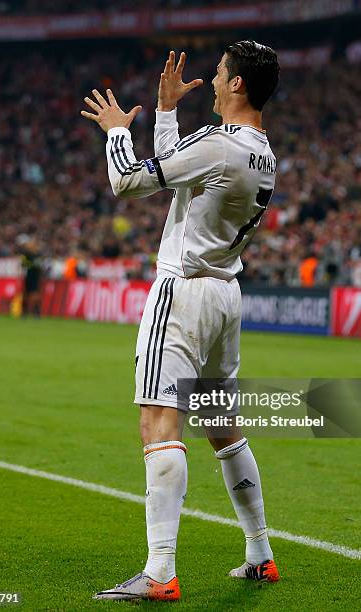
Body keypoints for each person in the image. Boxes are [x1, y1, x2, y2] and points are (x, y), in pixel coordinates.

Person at [81, 41, 280, 602]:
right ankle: (260, 552)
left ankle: (160, 570)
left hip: (184, 291)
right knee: (223, 427)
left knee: (157, 420)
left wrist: (119, 130)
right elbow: (182, 179)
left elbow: (131, 181)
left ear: (238, 84)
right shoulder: (260, 152)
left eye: (219, 74)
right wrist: (165, 113)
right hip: (224, 295)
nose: (212, 81)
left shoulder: (219, 145)